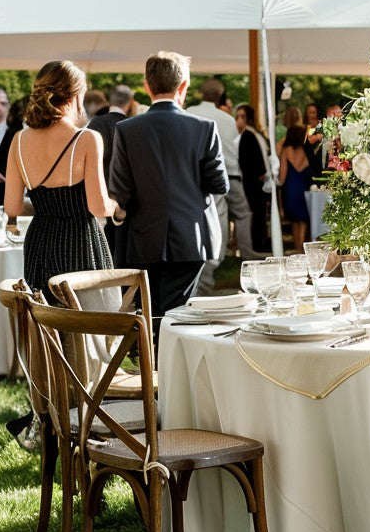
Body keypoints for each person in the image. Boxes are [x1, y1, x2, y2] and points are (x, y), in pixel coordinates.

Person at [108, 52, 227, 334]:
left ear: (146, 86)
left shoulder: (126, 129)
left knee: (151, 313)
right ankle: (168, 372)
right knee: (177, 314)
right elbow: (220, 184)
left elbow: (119, 190)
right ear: (183, 86)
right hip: (191, 237)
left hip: (141, 238)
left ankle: (155, 369)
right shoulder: (204, 128)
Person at [4, 61, 121, 304]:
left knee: (48, 322)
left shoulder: (19, 140)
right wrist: (115, 206)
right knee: (88, 324)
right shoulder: (87, 138)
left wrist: (50, 205)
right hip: (79, 240)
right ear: (76, 95)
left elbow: (13, 209)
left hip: (40, 241)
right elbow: (98, 207)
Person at [187, 77, 258, 290]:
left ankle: (214, 258)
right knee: (242, 214)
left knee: (215, 217)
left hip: (200, 178)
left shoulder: (189, 112)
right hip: (231, 175)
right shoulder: (227, 120)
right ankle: (244, 254)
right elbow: (234, 150)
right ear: (220, 96)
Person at [88, 83, 134, 256]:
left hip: (97, 201)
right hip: (126, 206)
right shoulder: (133, 125)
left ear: (108, 101)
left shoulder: (94, 124)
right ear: (130, 101)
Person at [236, 102, 273, 253]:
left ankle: (256, 244)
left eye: (242, 117)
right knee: (258, 215)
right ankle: (258, 243)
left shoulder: (248, 135)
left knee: (256, 215)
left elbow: (249, 162)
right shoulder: (253, 134)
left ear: (249, 119)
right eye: (237, 117)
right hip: (257, 183)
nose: (239, 120)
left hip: (253, 184)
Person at [278, 124, 312, 249]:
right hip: (304, 187)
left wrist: (278, 183)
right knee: (303, 218)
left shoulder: (285, 150)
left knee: (294, 219)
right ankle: (301, 245)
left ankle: (297, 245)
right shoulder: (306, 151)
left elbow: (283, 173)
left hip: (291, 188)